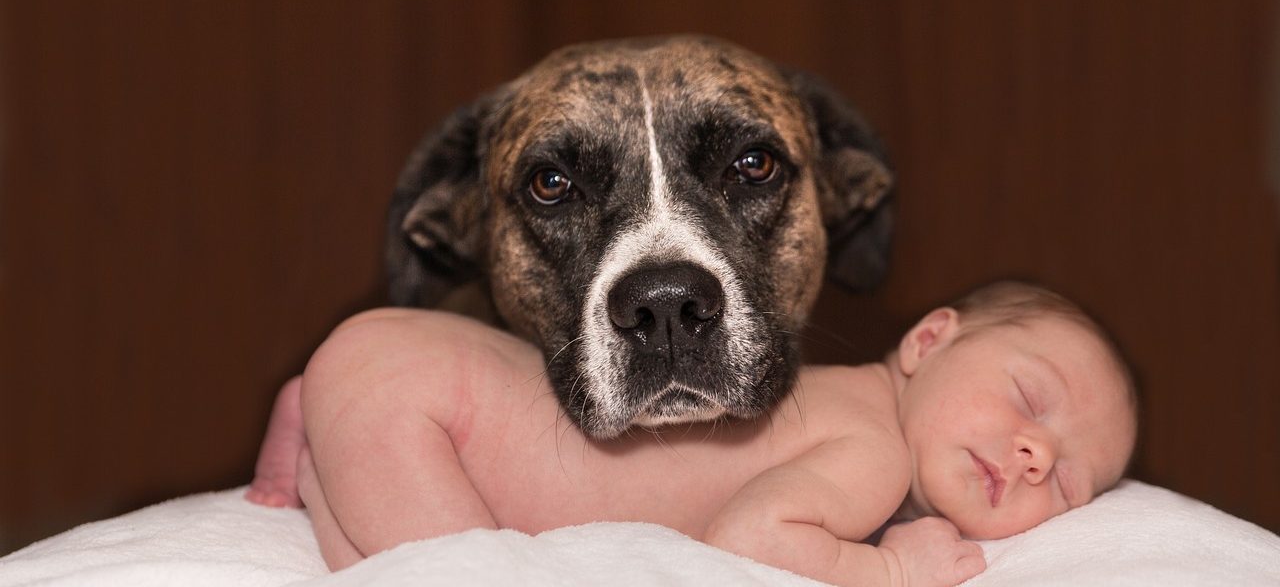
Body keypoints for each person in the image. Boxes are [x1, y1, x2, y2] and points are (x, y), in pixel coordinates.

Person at [246, 280, 1138, 587]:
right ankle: (333, 428)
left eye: (1067, 483)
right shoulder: (872, 450)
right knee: (463, 573)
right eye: (1029, 396)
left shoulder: (848, 404)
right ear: (929, 340)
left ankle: (321, 413)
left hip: (402, 360)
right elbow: (749, 539)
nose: (1035, 453)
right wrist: (891, 569)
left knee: (372, 436)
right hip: (426, 412)